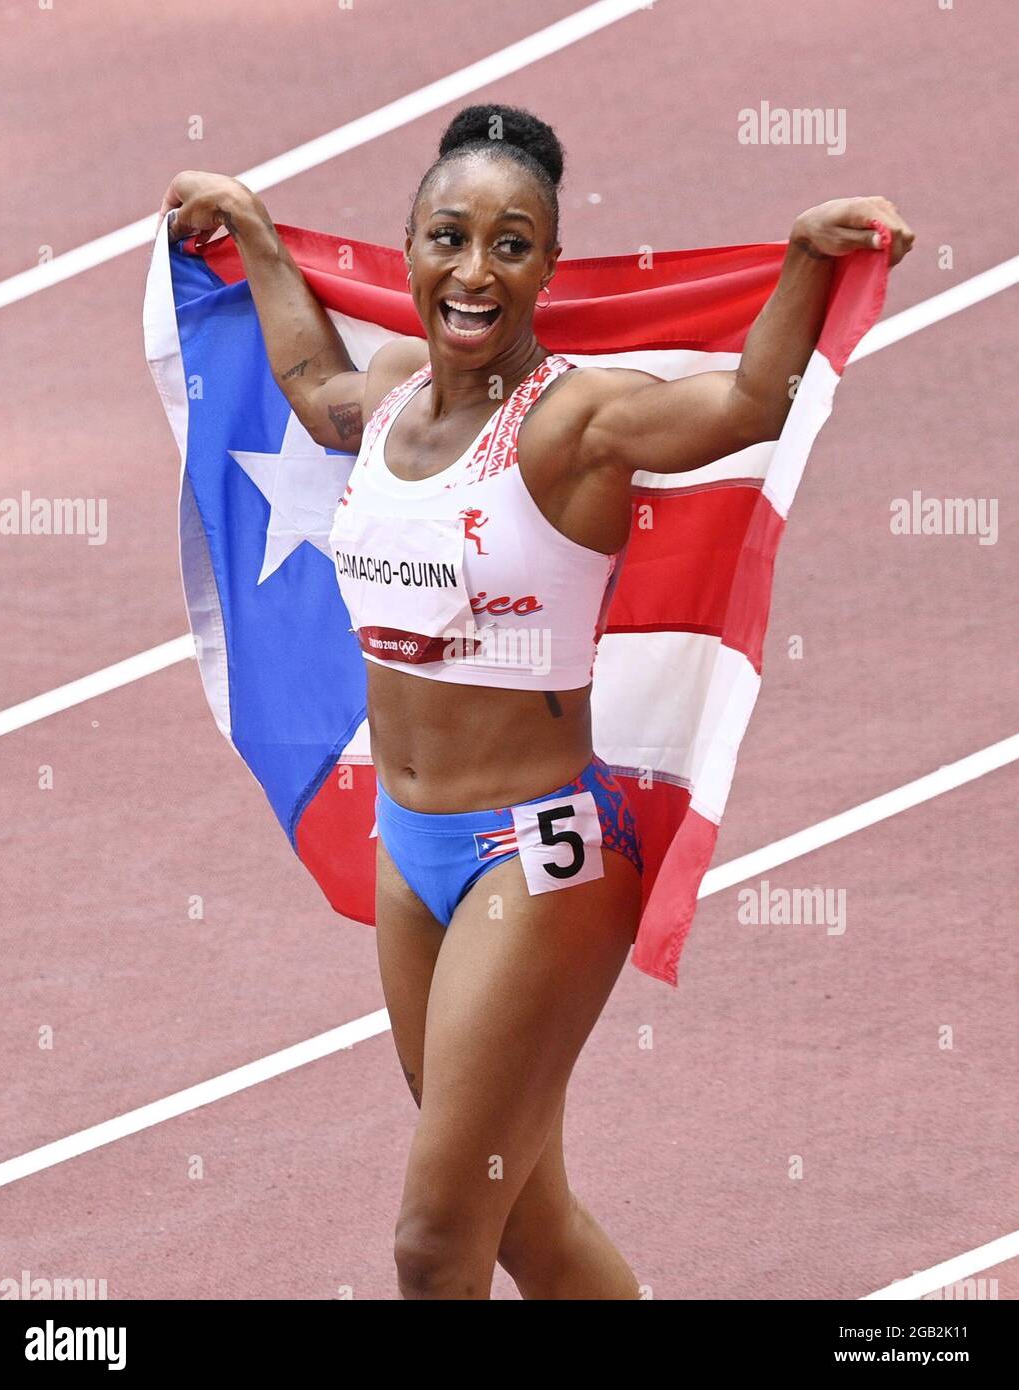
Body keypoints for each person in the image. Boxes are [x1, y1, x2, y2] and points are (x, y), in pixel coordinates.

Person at [158, 103, 913, 1300]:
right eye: (448, 236)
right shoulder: (396, 390)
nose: (475, 268)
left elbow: (747, 407)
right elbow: (313, 386)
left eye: (512, 244)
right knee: (527, 1220)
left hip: (539, 858)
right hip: (408, 854)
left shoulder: (576, 423)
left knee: (433, 1244)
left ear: (547, 269)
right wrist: (252, 227)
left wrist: (803, 263)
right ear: (407, 248)